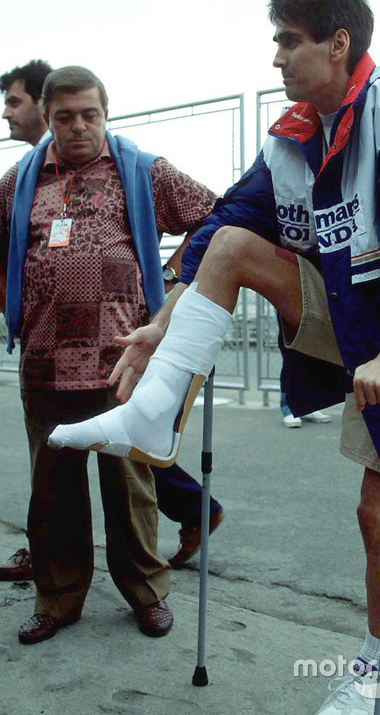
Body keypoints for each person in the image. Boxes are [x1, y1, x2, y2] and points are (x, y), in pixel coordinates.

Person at [48, 0, 380, 714]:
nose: (275, 57)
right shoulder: (295, 133)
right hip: (352, 315)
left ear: (337, 43)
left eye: (287, 40)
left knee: (377, 508)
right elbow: (224, 228)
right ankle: (152, 410)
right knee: (234, 239)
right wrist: (161, 323)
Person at [0, 64, 224, 645]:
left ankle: (147, 594)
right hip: (44, 362)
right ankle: (57, 597)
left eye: (89, 115)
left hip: (125, 362)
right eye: (65, 116)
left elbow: (218, 219)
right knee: (52, 494)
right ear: (47, 119)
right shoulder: (19, 181)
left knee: (131, 489)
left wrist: (178, 284)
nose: (78, 127)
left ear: (106, 112)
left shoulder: (142, 172)